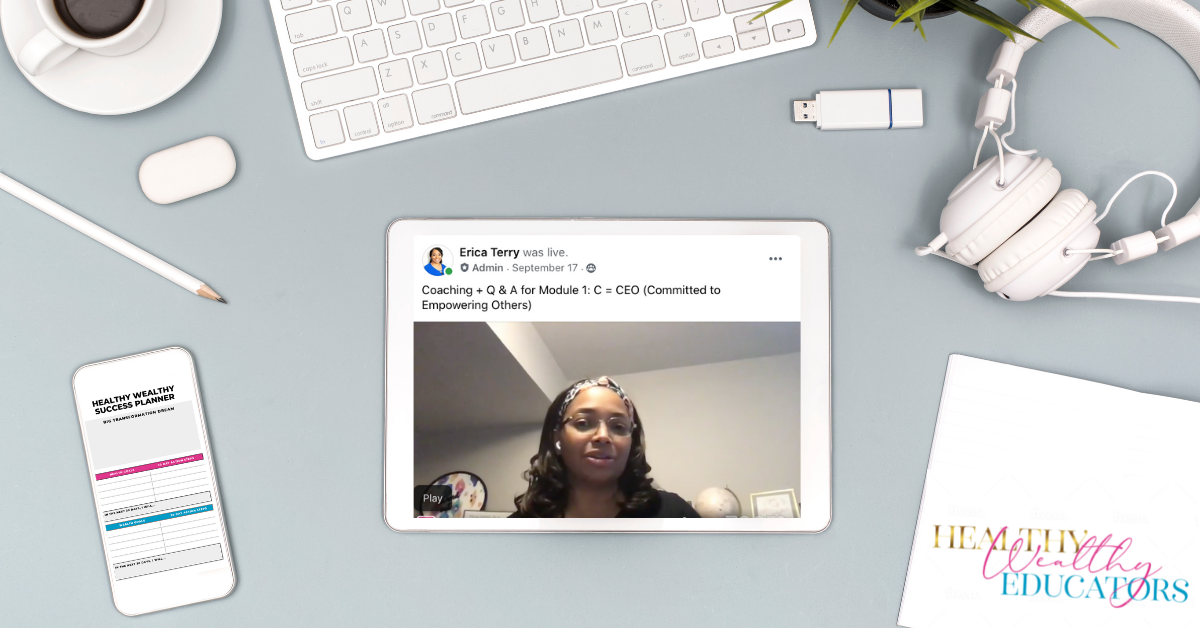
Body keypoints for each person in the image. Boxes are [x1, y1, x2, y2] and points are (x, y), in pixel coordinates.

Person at [512, 377, 699, 518]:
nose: (603, 436)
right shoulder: (516, 531)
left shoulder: (674, 515)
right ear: (557, 438)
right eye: (583, 423)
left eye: (618, 426)